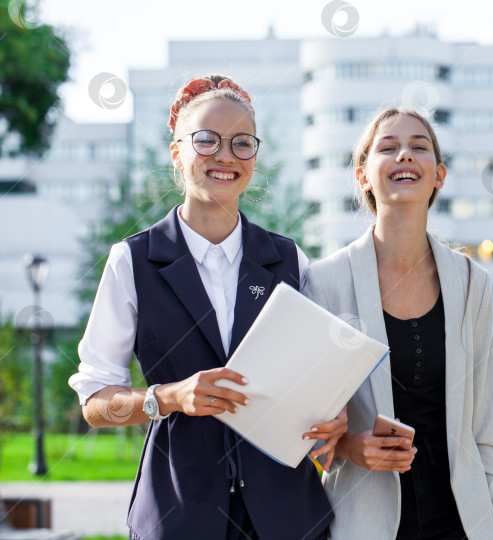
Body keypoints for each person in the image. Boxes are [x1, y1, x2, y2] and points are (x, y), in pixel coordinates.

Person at [68, 74, 343, 540]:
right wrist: (169, 397)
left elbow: (316, 376)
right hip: (180, 514)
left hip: (288, 517)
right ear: (177, 153)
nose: (224, 156)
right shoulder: (132, 260)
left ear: (255, 157)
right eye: (206, 140)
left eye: (242, 143)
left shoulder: (289, 258)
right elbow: (95, 403)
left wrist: (331, 419)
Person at [303, 108, 493, 539]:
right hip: (362, 517)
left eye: (419, 147)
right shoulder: (323, 283)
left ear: (439, 175)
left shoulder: (473, 282)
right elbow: (303, 422)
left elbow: (486, 420)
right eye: (388, 147)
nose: (404, 155)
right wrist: (349, 447)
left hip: (462, 519)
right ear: (363, 176)